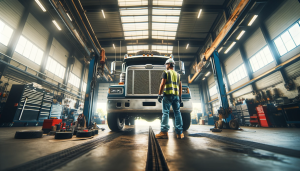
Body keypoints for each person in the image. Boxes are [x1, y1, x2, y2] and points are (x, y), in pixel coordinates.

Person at [156, 58, 184, 139]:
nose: (165, 66)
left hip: (168, 96)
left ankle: (164, 132)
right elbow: (180, 86)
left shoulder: (166, 72)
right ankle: (179, 133)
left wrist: (159, 94)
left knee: (166, 113)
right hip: (176, 96)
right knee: (177, 113)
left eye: (166, 64)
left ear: (169, 65)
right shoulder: (178, 75)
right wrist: (180, 97)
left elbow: (162, 84)